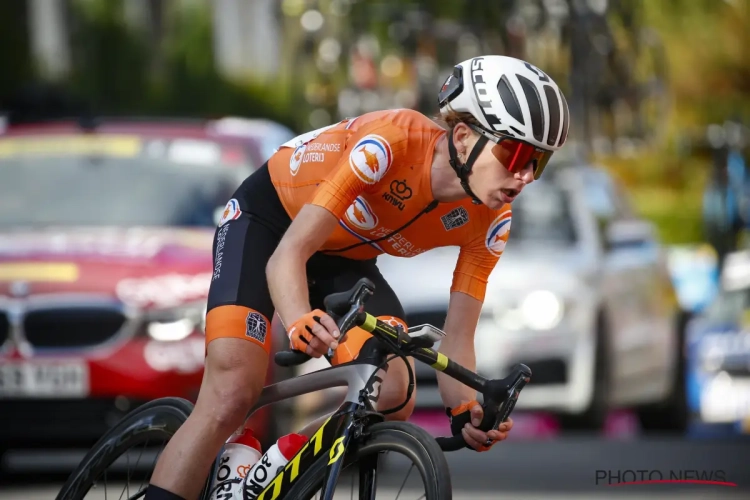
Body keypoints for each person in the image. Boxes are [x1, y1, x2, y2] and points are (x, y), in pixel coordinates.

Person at [145, 55, 570, 500]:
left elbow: (458, 336)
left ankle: (270, 468)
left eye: (537, 162)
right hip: (269, 226)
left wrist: (465, 410)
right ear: (463, 137)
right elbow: (287, 255)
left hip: (340, 258)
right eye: (515, 153)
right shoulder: (389, 145)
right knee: (232, 392)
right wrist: (298, 321)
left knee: (391, 392)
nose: (523, 176)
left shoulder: (492, 219)